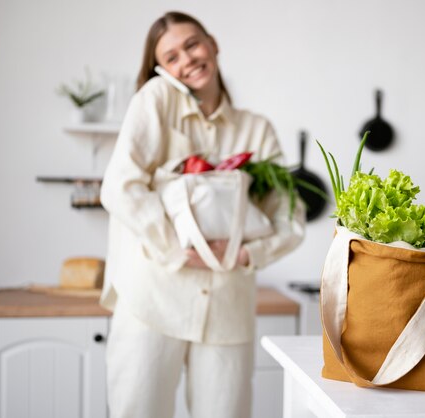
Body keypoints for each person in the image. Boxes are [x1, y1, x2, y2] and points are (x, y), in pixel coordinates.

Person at [99, 11, 305, 418]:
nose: (187, 59)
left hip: (227, 309)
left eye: (192, 44)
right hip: (152, 300)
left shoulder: (256, 130)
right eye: (171, 56)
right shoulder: (156, 99)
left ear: (212, 43)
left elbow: (291, 217)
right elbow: (119, 187)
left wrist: (247, 254)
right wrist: (178, 249)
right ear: (160, 68)